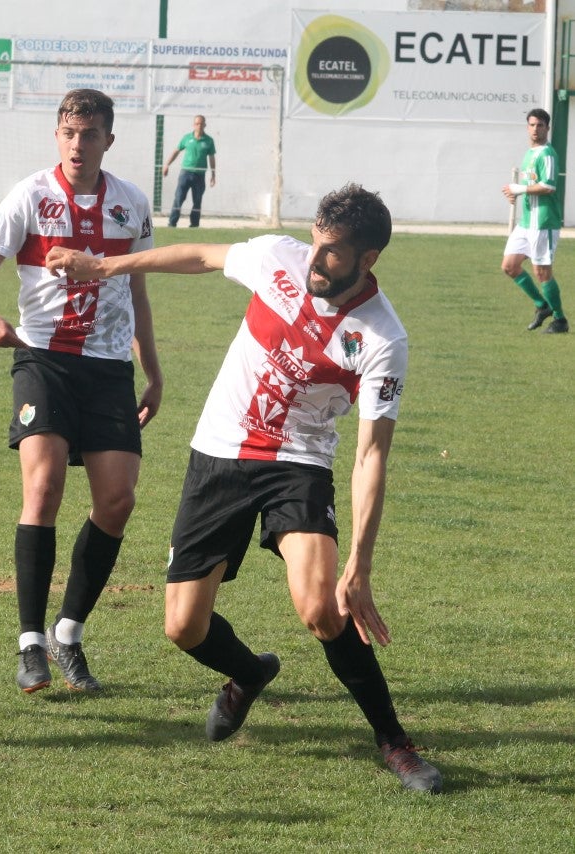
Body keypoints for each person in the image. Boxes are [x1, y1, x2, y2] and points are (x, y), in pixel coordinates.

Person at [45, 183, 444, 793]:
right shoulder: (279, 258)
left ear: (368, 259)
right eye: (315, 242)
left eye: (333, 253)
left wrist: (358, 566)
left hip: (299, 463)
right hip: (220, 454)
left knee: (322, 607)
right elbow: (201, 256)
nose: (314, 260)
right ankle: (249, 673)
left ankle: (395, 743)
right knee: (183, 627)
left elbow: (370, 456)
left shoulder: (383, 339)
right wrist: (106, 265)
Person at [0, 88, 161, 694]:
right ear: (58, 136)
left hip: (107, 370)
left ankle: (68, 633)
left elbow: (140, 291)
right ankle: (29, 644)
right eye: (70, 133)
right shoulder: (29, 195)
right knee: (43, 489)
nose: (79, 144)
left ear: (108, 139)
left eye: (91, 134)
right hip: (43, 359)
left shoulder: (131, 204)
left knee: (118, 500)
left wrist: (152, 370)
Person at [501, 108, 567, 334]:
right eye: (532, 125)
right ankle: (542, 306)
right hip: (527, 221)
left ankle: (559, 320)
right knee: (509, 266)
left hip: (544, 222)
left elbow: (548, 186)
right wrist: (514, 192)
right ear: (527, 127)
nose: (535, 129)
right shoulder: (530, 153)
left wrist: (519, 189)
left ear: (547, 128)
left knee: (542, 272)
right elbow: (529, 187)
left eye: (540, 125)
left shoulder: (547, 154)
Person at [162, 115, 216, 228]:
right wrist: (167, 165)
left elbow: (211, 158)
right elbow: (176, 151)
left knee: (197, 201)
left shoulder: (209, 140)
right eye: (197, 123)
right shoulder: (187, 138)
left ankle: (194, 225)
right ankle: (172, 223)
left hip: (200, 175)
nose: (199, 126)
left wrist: (213, 174)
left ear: (205, 125)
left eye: (201, 123)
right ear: (194, 125)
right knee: (179, 198)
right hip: (185, 173)